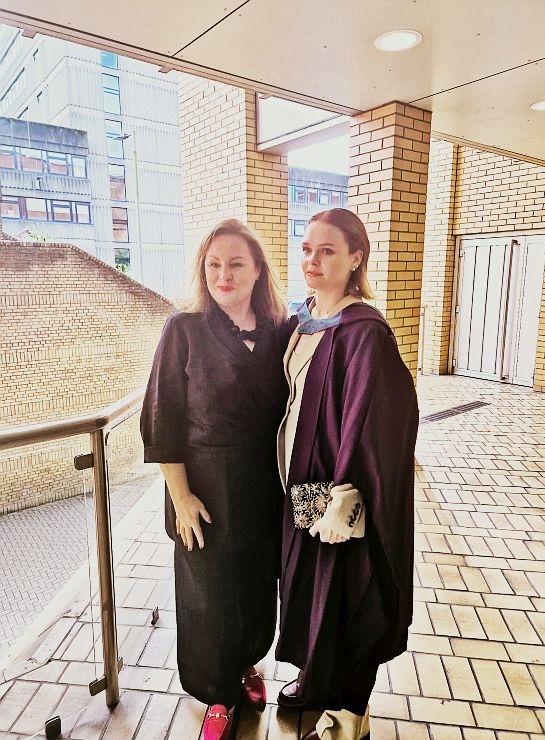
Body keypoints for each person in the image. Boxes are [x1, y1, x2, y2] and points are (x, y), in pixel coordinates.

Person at [140, 218, 288, 740]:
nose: (224, 275)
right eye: (214, 264)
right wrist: (180, 497)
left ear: (258, 270)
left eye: (236, 264)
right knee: (209, 596)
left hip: (264, 487)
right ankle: (218, 696)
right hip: (202, 489)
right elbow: (162, 419)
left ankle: (245, 665)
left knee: (255, 587)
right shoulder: (183, 329)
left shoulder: (281, 330)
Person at [275, 208, 419, 740]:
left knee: (348, 593)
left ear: (356, 257)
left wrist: (345, 497)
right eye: (307, 248)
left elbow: (381, 420)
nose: (312, 259)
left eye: (327, 250)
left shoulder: (364, 332)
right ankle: (315, 680)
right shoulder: (304, 319)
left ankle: (348, 716)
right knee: (311, 585)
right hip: (301, 482)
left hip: (339, 489)